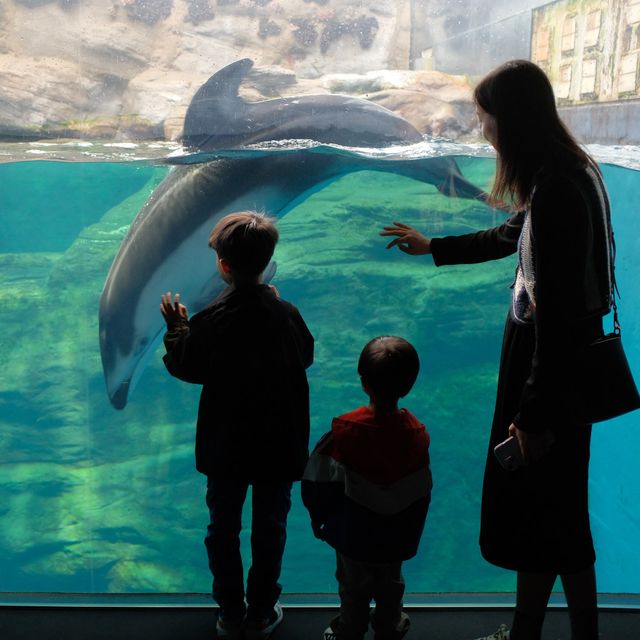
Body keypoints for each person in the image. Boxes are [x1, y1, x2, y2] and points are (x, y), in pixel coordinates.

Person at [381, 60, 612, 640]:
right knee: (557, 514)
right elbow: (509, 236)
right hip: (559, 369)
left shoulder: (558, 189)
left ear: (513, 121)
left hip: (548, 374)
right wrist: (433, 246)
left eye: (486, 118)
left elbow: (556, 318)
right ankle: (552, 628)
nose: (482, 130)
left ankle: (545, 631)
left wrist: (532, 415)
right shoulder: (563, 174)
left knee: (548, 514)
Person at [160, 210, 314, 640]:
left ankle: (230, 611)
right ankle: (262, 611)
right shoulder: (287, 313)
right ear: (267, 263)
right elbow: (306, 355)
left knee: (222, 529)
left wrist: (177, 329)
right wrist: (277, 306)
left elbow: (185, 366)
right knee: (271, 528)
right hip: (277, 446)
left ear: (223, 266)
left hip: (226, 448)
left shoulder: (211, 319)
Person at [301, 336, 432, 640]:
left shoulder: (343, 432)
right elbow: (421, 490)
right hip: (396, 536)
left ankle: (350, 629)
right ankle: (390, 626)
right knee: (391, 583)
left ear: (363, 382)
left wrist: (318, 517)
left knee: (352, 585)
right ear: (409, 384)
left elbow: (315, 481)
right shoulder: (417, 436)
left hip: (353, 535)